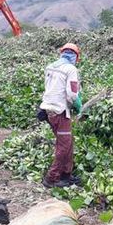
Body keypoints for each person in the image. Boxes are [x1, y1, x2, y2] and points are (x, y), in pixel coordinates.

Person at [39, 43, 82, 188]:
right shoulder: (71, 69)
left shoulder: (50, 66)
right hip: (60, 111)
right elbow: (72, 94)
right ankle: (52, 178)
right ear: (76, 57)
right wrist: (78, 105)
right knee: (63, 146)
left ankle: (66, 174)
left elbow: (49, 88)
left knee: (67, 142)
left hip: (48, 110)